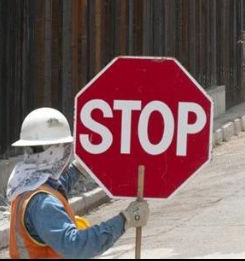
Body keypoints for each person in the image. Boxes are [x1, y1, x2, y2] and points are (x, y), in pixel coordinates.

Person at [8, 107, 149, 259]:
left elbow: (57, 186)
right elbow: (76, 247)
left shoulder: (26, 184)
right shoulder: (43, 203)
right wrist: (124, 220)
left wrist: (82, 165)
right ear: (59, 151)